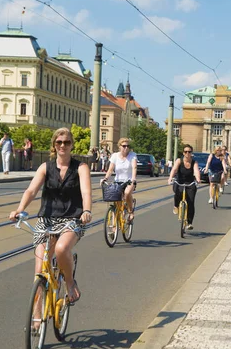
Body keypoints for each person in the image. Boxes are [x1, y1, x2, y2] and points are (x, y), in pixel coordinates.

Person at [9, 127, 92, 307]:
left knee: (62, 248)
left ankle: (70, 283)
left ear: (71, 145)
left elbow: (86, 192)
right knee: (39, 270)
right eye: (59, 142)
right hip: (46, 220)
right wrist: (19, 209)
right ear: (54, 145)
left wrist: (86, 211)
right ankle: (37, 318)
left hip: (72, 219)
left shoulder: (81, 167)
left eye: (66, 142)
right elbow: (31, 190)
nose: (63, 145)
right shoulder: (45, 167)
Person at [102, 138, 138, 222]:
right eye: (124, 146)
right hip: (118, 181)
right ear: (119, 147)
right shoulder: (115, 156)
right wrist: (105, 178)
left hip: (129, 180)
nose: (126, 148)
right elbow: (110, 169)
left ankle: (130, 212)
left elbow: (134, 167)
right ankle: (114, 226)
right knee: (116, 201)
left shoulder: (132, 155)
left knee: (127, 193)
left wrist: (133, 178)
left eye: (128, 146)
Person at [168, 144, 201, 230]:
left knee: (191, 202)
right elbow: (174, 169)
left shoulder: (194, 162)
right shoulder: (179, 161)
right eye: (185, 152)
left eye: (189, 152)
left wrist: (198, 179)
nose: (187, 153)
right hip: (179, 182)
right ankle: (176, 206)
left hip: (190, 183)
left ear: (191, 153)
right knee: (177, 193)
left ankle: (189, 223)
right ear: (183, 153)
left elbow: (196, 171)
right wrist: (170, 178)